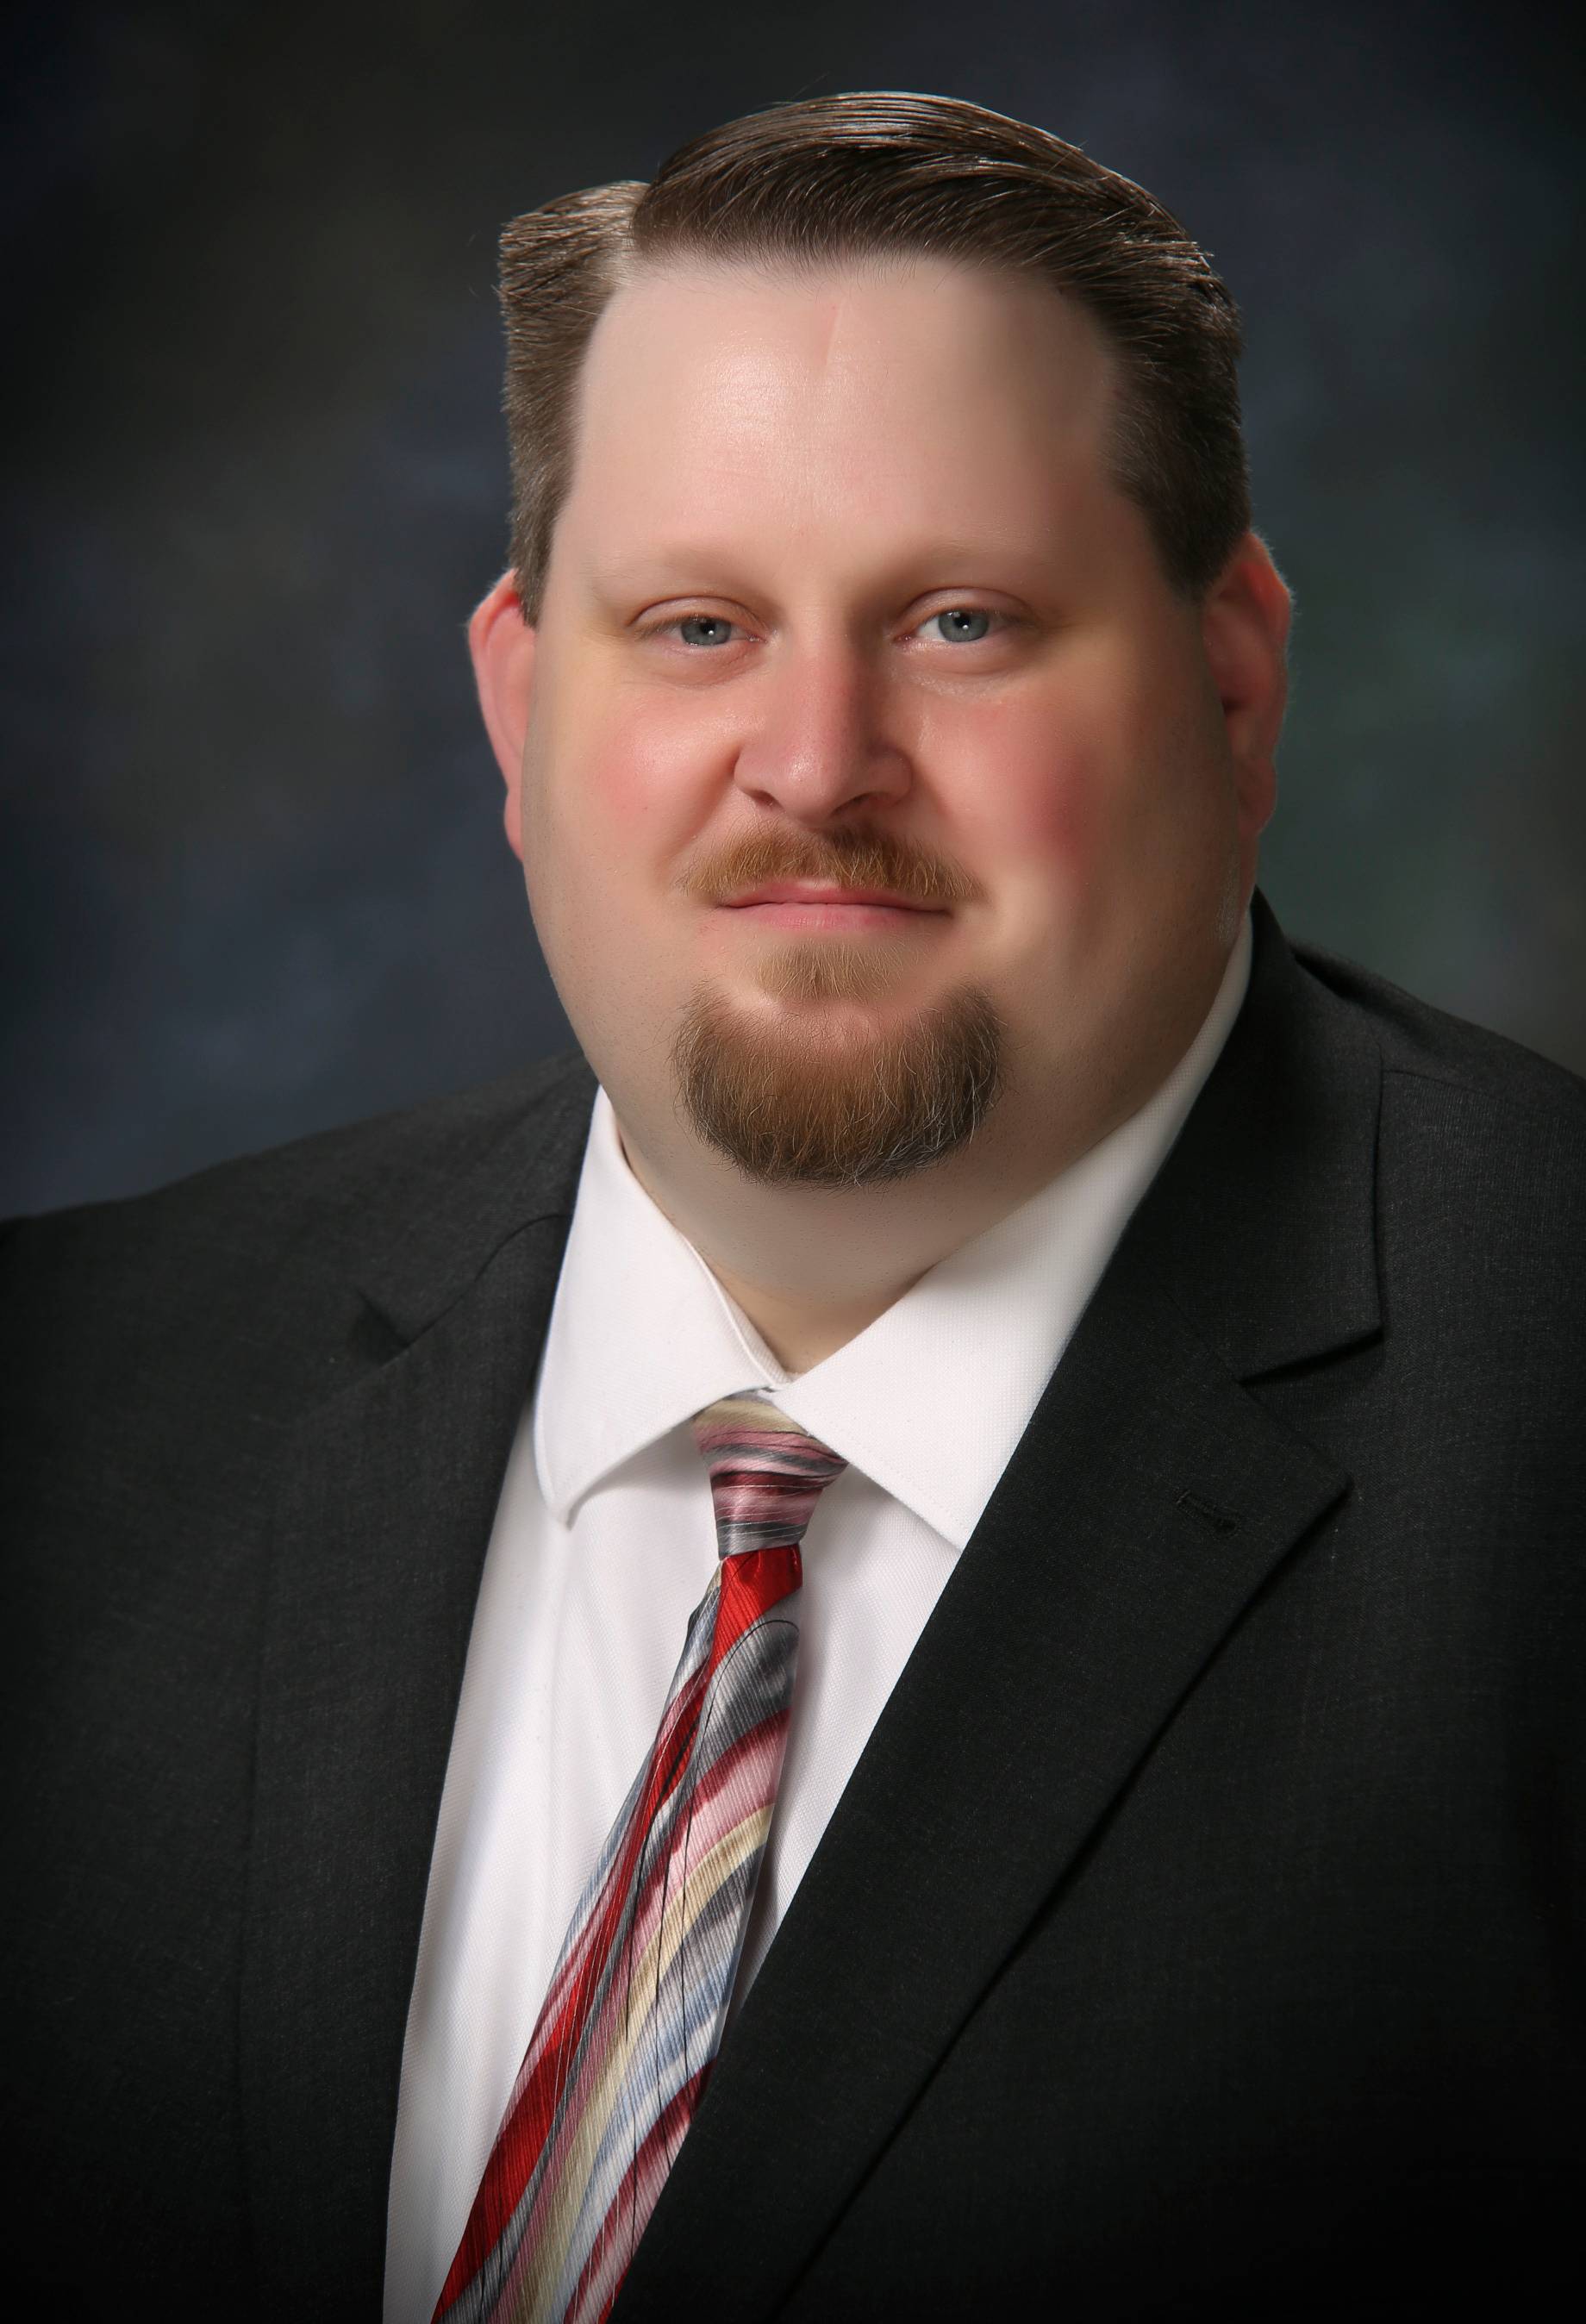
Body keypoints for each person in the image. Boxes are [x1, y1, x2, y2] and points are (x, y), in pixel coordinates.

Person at [2, 89, 1581, 2324]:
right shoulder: (70, 1411)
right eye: (695, 625)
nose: (817, 763)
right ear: (521, 699)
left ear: (1232, 682)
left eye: (958, 618)